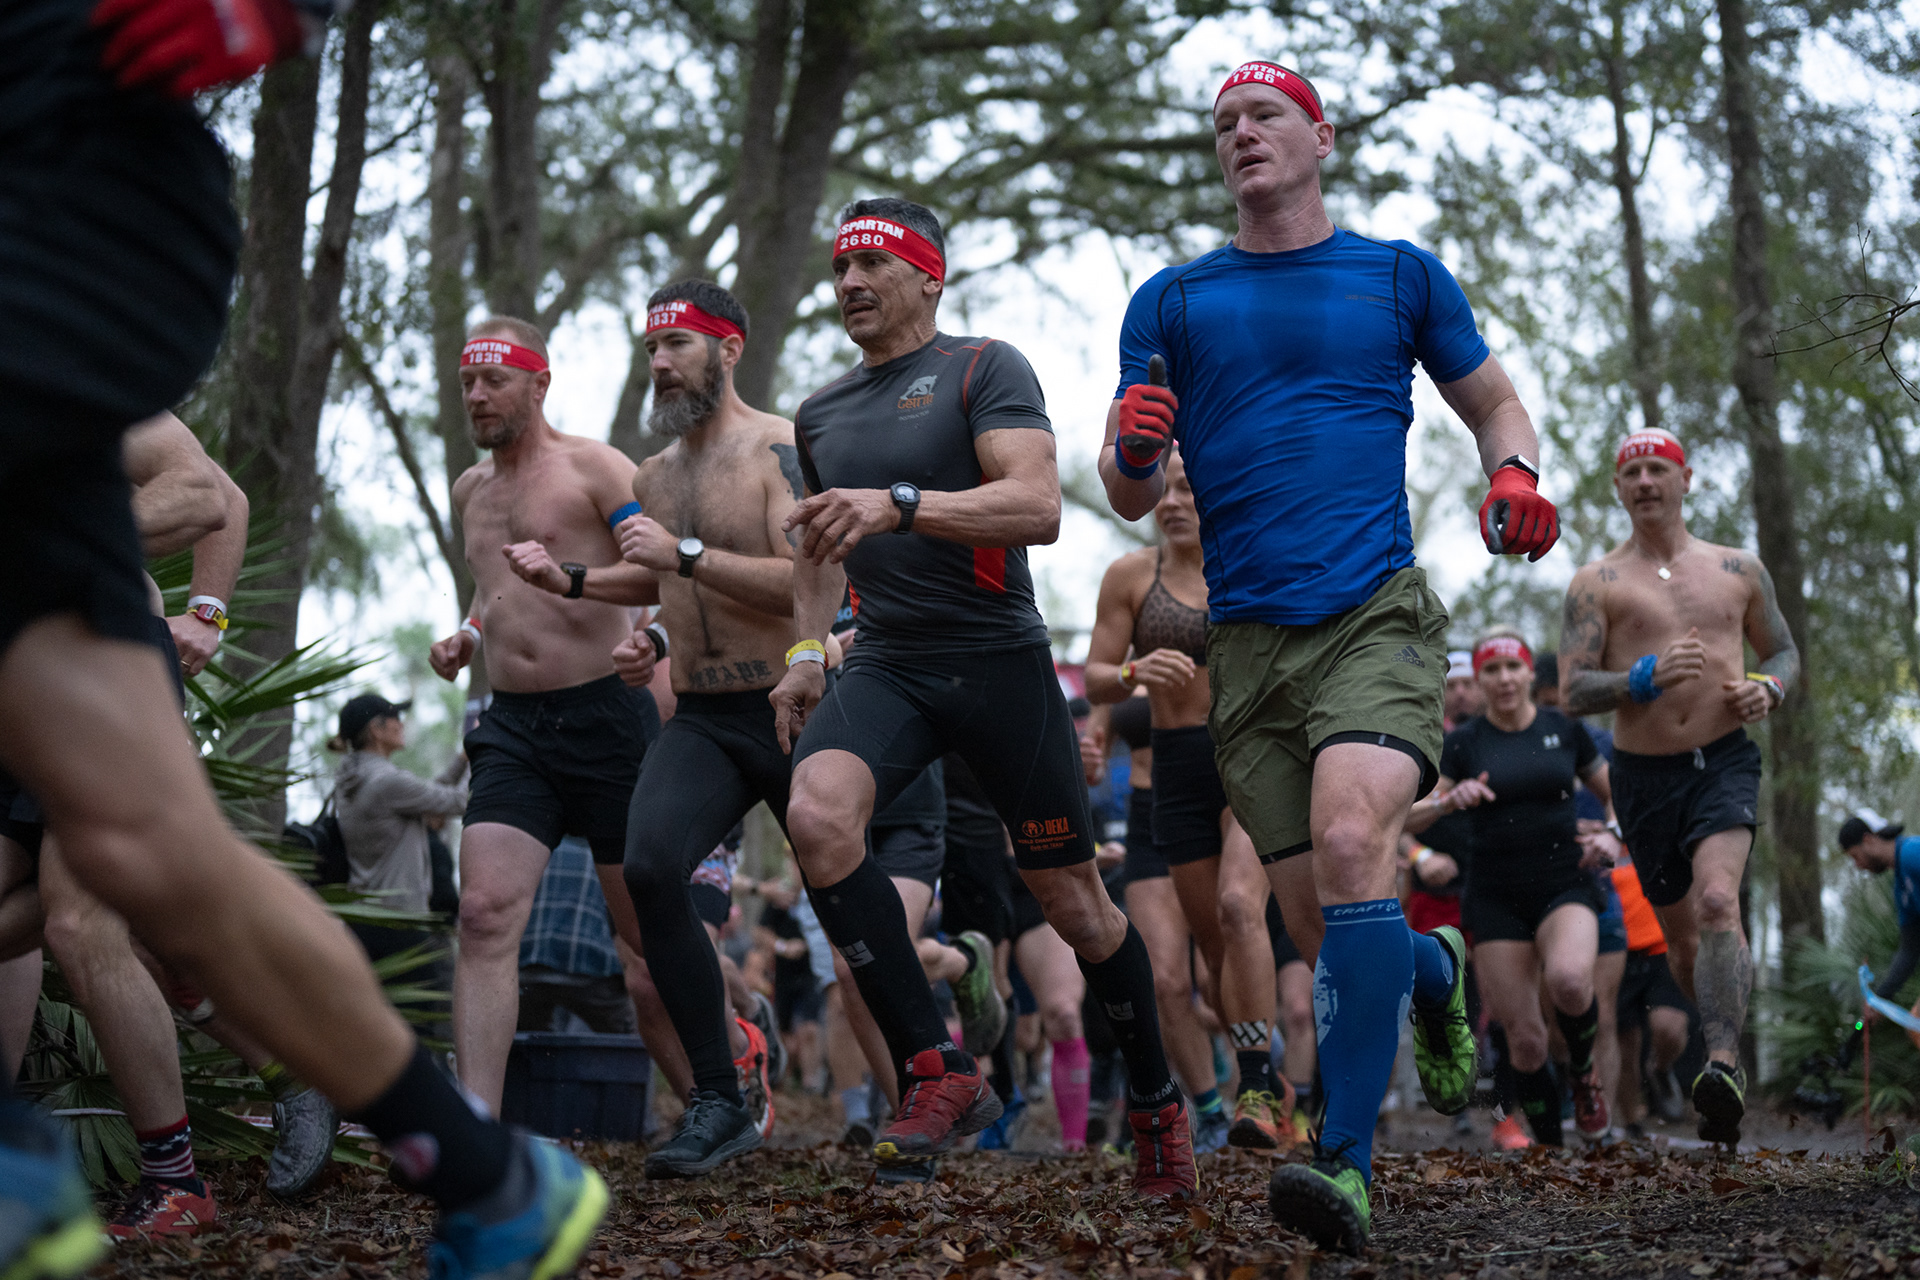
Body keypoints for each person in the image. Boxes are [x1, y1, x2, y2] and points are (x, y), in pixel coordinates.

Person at [0, 3, 606, 1274]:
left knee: (112, 888)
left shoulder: (580, 473)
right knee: (147, 851)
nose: (476, 390)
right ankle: (493, 1179)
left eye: (494, 373)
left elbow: (212, 494)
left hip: (72, 175)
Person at [1101, 59, 1557, 1250]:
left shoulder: (1399, 276)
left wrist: (1514, 473)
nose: (1241, 134)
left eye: (1265, 115)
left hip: (1371, 614)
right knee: (1327, 931)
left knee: (1357, 844)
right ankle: (1436, 971)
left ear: (1322, 137)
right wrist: (1135, 452)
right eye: (1224, 123)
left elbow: (1495, 404)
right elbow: (1124, 485)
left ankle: (1343, 1163)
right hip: (1246, 647)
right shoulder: (1172, 301)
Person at [770, 196, 1192, 1200]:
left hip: (998, 659)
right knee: (816, 816)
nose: (850, 283)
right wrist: (804, 651)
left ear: (929, 276)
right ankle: (937, 1064)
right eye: (839, 269)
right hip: (889, 660)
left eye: (872, 264)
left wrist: (899, 505)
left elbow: (1037, 506)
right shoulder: (820, 413)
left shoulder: (983, 367)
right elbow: (818, 549)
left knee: (1074, 903)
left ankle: (1157, 1103)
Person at [426, 315, 669, 1116]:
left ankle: (729, 1057)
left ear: (539, 384)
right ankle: (478, 1126)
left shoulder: (597, 467)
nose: (477, 395)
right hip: (513, 727)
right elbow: (491, 588)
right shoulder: (470, 489)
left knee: (645, 940)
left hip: (606, 716)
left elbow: (659, 575)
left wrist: (619, 618)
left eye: (494, 380)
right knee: (483, 915)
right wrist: (468, 635)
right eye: (468, 381)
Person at [1560, 428, 1799, 1145]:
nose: (1645, 482)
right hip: (1643, 777)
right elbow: (1573, 690)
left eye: (1658, 469)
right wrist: (1643, 677)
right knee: (1683, 943)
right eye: (1632, 472)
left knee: (1719, 900)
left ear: (1685, 479)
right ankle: (1715, 1049)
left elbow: (1782, 650)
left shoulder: (1738, 568)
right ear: (1618, 487)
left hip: (1723, 761)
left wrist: (1769, 688)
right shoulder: (1597, 583)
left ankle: (1722, 1065)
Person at [1085, 448, 1281, 1152]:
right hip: (1174, 769)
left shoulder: (1255, 561)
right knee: (1203, 961)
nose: (1172, 503)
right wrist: (1134, 670)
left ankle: (1258, 1085)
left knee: (1239, 907)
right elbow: (1096, 677)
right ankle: (1232, 1099)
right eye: (1164, 491)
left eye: (1188, 490)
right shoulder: (1131, 576)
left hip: (1250, 757)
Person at [1406, 631, 1615, 1147]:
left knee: (1570, 981)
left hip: (1563, 880)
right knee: (1524, 1040)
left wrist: (1612, 835)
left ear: (1528, 674)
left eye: (1512, 667)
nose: (1503, 679)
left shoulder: (1563, 729)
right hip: (1495, 894)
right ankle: (1550, 1154)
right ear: (1478, 681)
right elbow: (1407, 817)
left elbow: (1617, 795)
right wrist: (1449, 801)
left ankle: (1583, 1074)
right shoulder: (1462, 743)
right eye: (1491, 670)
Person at [330, 694, 469, 952]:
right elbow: (461, 802)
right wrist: (482, 752)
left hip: (361, 921)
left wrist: (461, 762)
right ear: (376, 729)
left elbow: (425, 796)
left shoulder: (349, 780)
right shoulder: (388, 782)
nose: (402, 724)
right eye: (396, 717)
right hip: (401, 924)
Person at [1839, 810, 1920, 1011]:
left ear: (1868, 841)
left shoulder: (1912, 853)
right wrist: (1879, 1000)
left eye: (1855, 856)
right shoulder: (1902, 886)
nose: (1858, 866)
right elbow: (1909, 950)